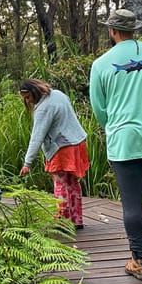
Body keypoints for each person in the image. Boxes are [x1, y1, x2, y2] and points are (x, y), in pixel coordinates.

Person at [89, 9, 142, 281]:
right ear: (134, 29)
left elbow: (99, 109)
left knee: (130, 203)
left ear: (112, 31)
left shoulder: (101, 64)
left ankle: (139, 260)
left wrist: (114, 123)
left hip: (123, 140)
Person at [18, 79, 89, 229]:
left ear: (34, 92)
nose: (27, 101)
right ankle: (76, 219)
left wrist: (27, 163)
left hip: (61, 148)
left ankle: (61, 222)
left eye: (27, 97)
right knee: (72, 183)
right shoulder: (58, 94)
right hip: (77, 142)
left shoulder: (44, 108)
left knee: (61, 184)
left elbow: (37, 136)